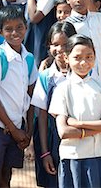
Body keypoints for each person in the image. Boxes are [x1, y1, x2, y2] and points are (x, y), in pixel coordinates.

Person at [48, 34, 101, 188]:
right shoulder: (62, 89)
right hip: (73, 157)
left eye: (89, 57)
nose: (84, 62)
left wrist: (79, 123)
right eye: (77, 57)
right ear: (66, 58)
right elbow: (64, 132)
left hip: (99, 154)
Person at [0, 5, 38, 187]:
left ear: (26, 27)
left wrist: (28, 130)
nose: (15, 32)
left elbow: (31, 98)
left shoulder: (29, 59)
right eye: (8, 29)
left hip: (18, 126)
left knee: (7, 175)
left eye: (19, 27)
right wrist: (12, 129)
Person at [30, 21, 76, 187]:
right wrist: (45, 152)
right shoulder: (46, 77)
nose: (60, 49)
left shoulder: (84, 74)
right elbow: (41, 116)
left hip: (77, 137)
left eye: (66, 44)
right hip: (51, 139)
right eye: (55, 44)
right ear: (48, 46)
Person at [65, 0, 101, 81]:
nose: (79, 0)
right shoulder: (67, 24)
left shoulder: (100, 19)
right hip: (79, 78)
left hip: (99, 78)